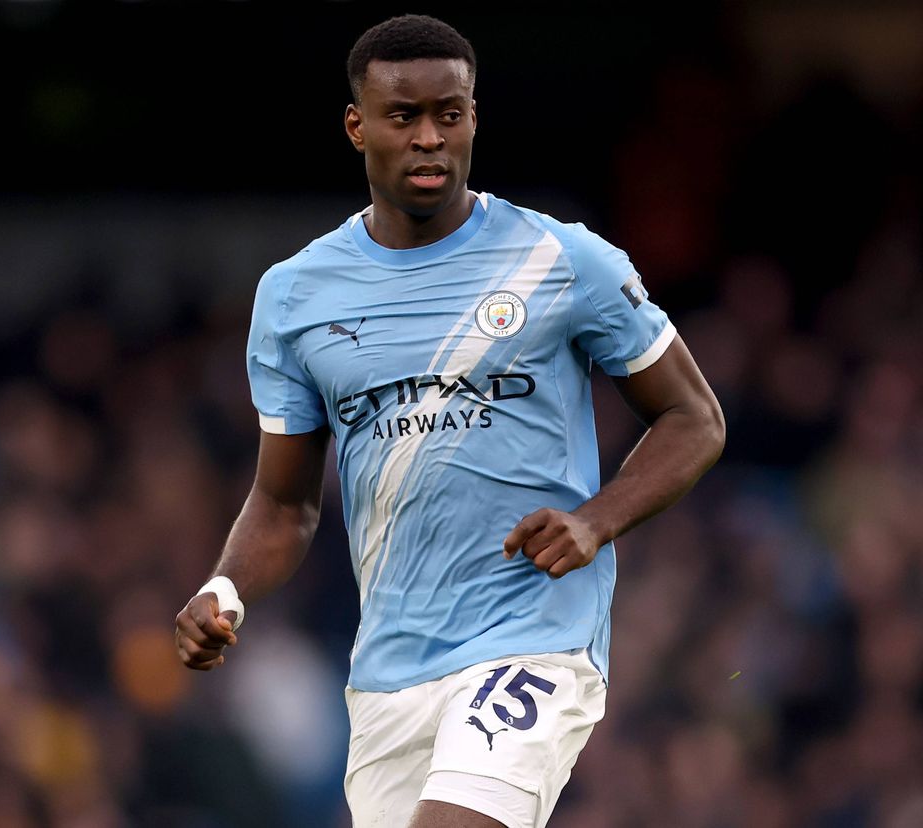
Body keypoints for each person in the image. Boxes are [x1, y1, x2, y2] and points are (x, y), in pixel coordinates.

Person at [174, 13, 725, 828]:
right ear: (358, 127)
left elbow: (695, 417)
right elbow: (286, 504)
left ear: (474, 119)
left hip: (532, 636)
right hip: (389, 673)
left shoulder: (562, 261)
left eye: (451, 114)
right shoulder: (295, 297)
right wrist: (225, 588)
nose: (431, 138)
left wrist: (595, 521)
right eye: (405, 118)